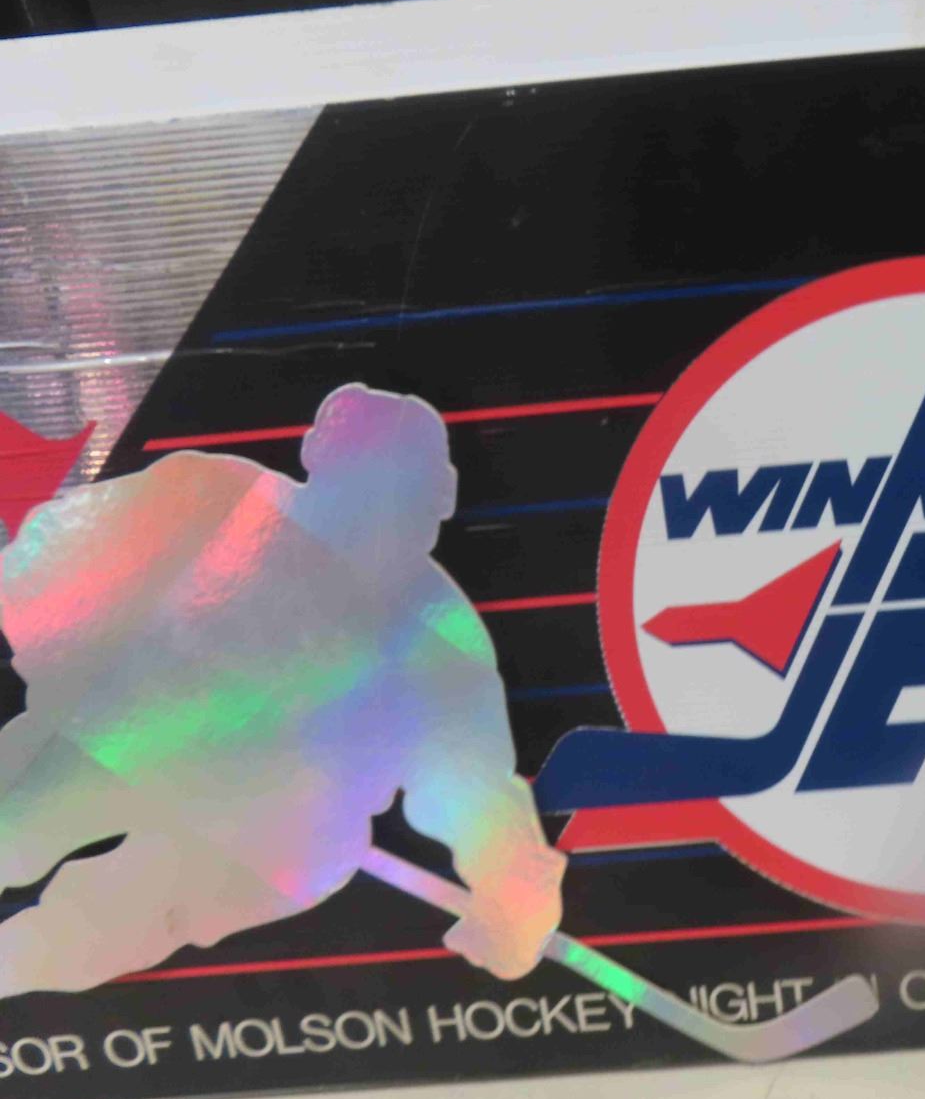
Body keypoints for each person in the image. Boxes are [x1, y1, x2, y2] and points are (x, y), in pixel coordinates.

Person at [0, 384, 564, 996]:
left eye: (405, 498)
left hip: (259, 836)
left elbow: (473, 792)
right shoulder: (214, 498)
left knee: (91, 930)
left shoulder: (440, 641)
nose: (376, 521)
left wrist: (513, 901)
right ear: (316, 463)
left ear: (440, 500)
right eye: (363, 492)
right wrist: (67, 671)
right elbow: (47, 563)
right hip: (120, 735)